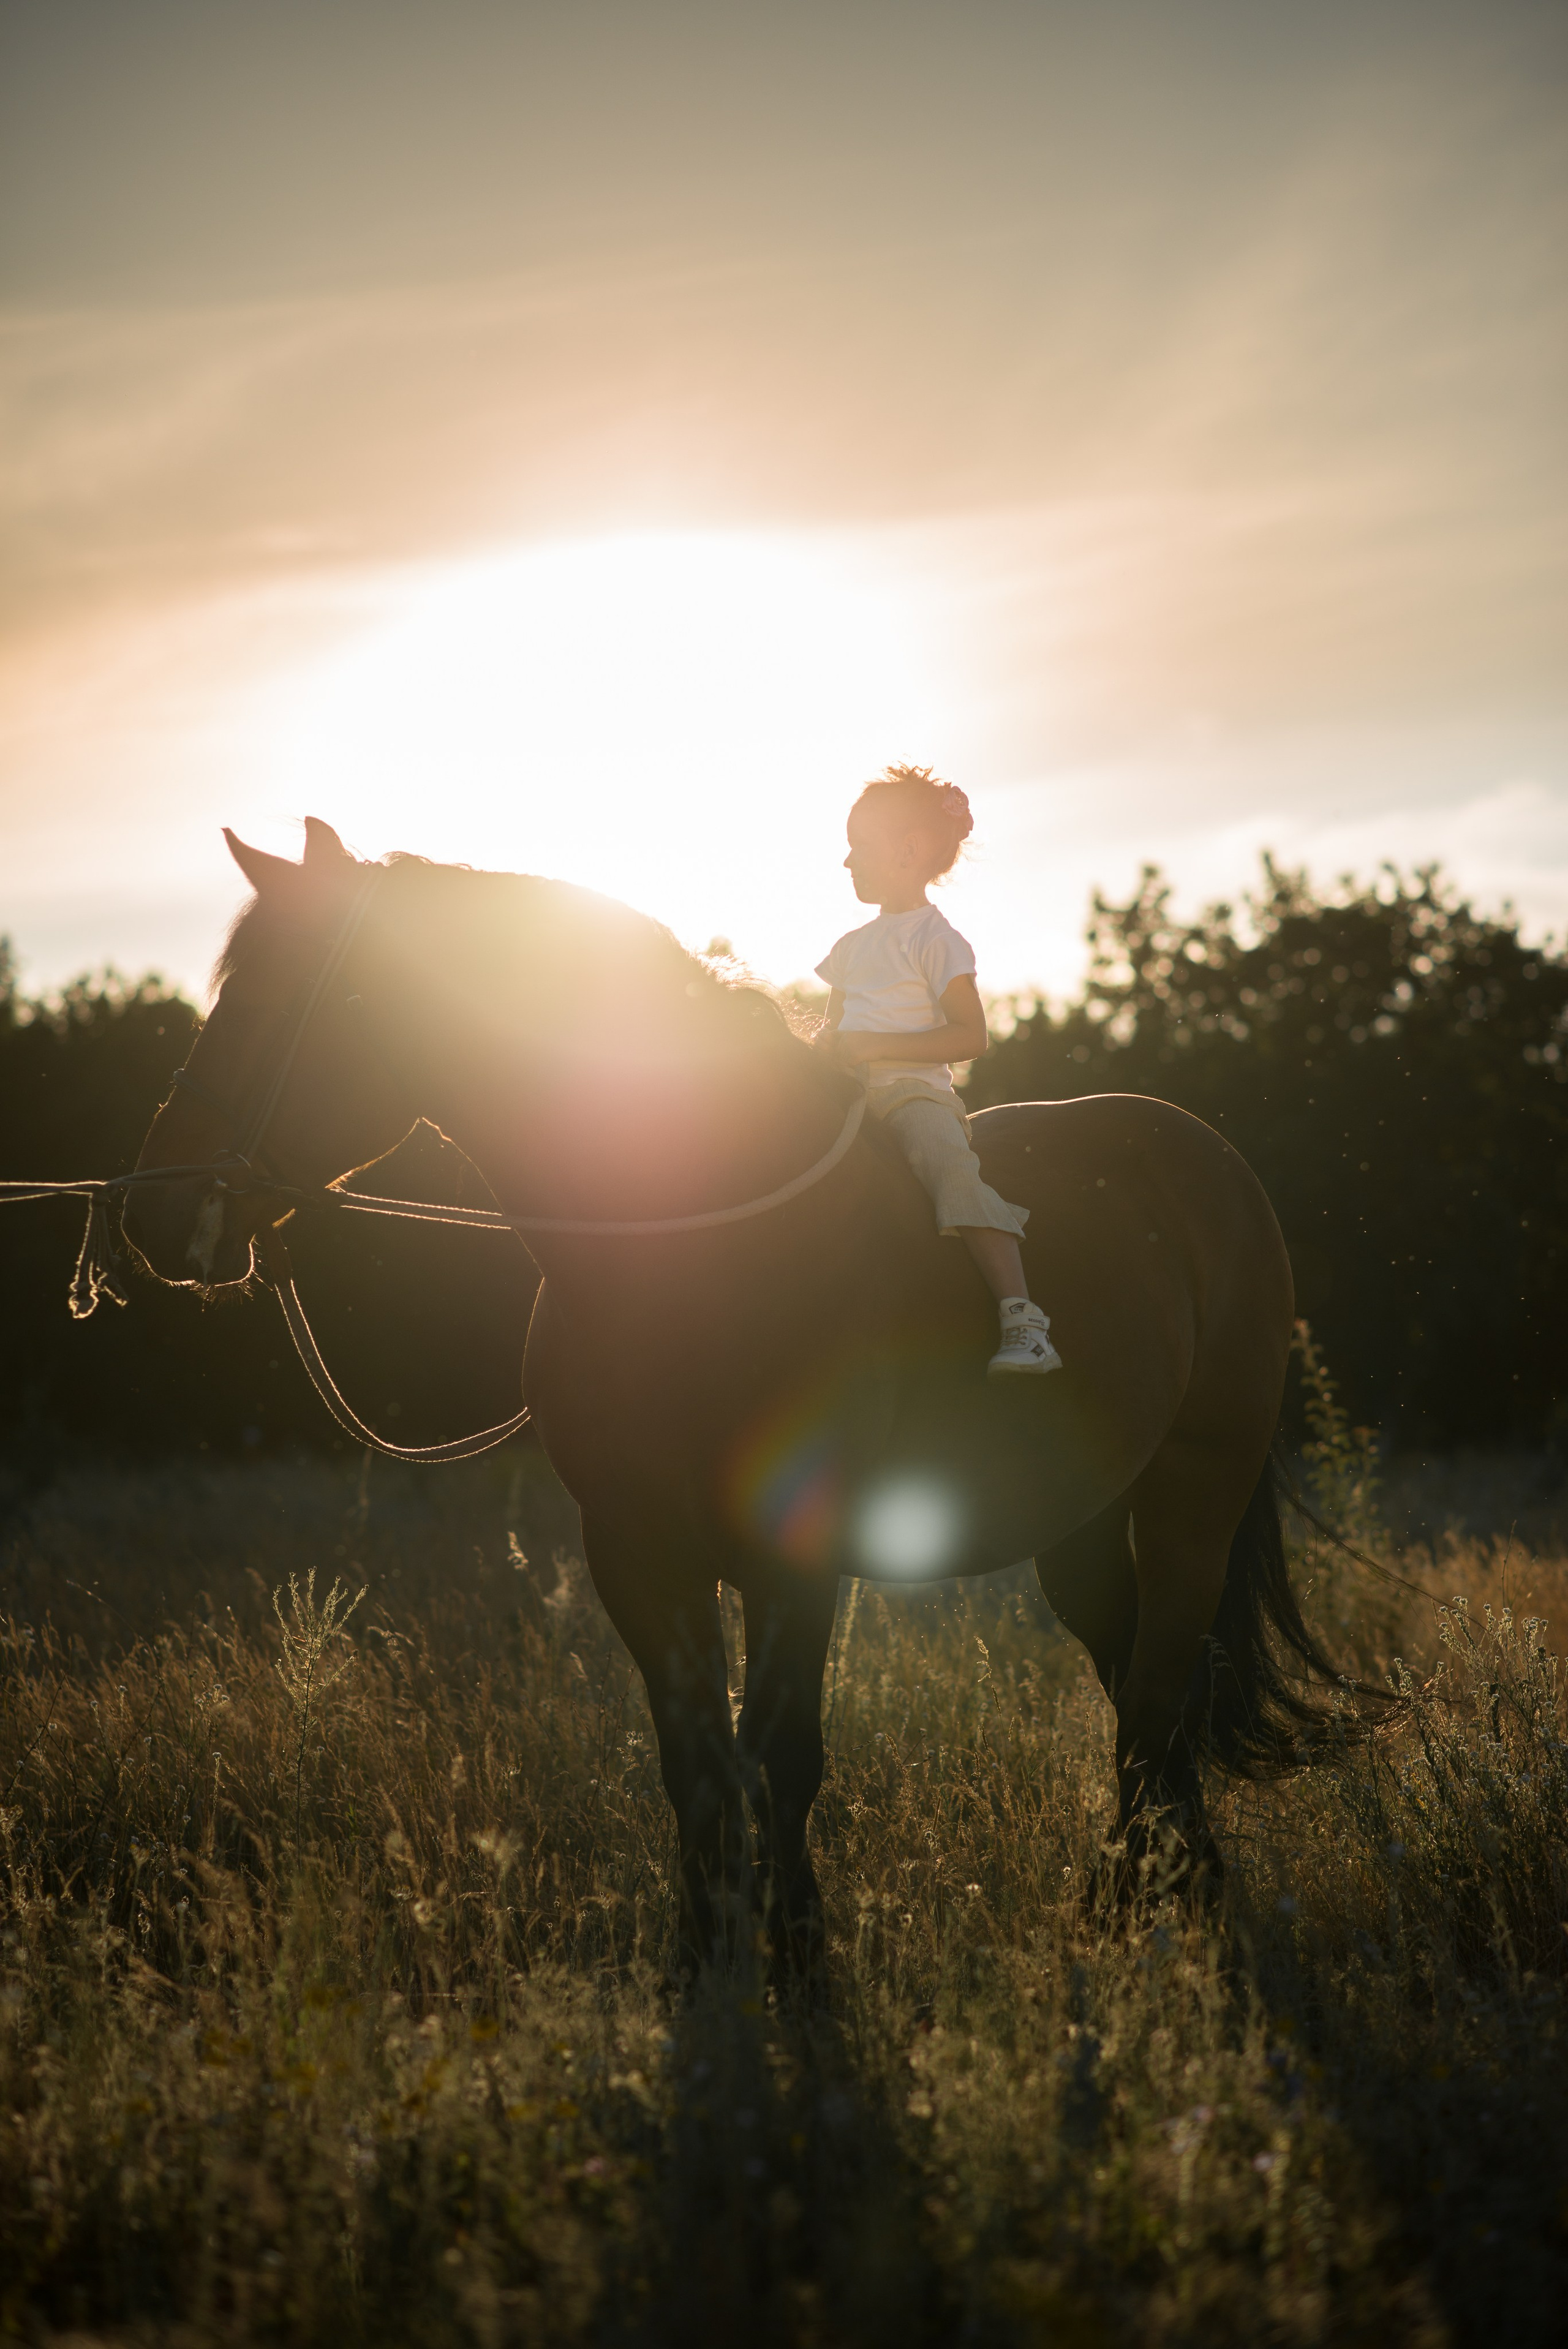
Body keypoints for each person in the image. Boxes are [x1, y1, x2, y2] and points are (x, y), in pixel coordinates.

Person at [813, 764, 1063, 1378]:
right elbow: (832, 1028)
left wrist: (873, 1047)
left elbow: (970, 1035)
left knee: (948, 1167)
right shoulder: (850, 947)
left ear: (908, 851)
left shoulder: (937, 940)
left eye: (859, 845)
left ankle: (1023, 1318)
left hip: (911, 1097)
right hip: (846, 1095)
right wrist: (822, 1052)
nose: (847, 860)